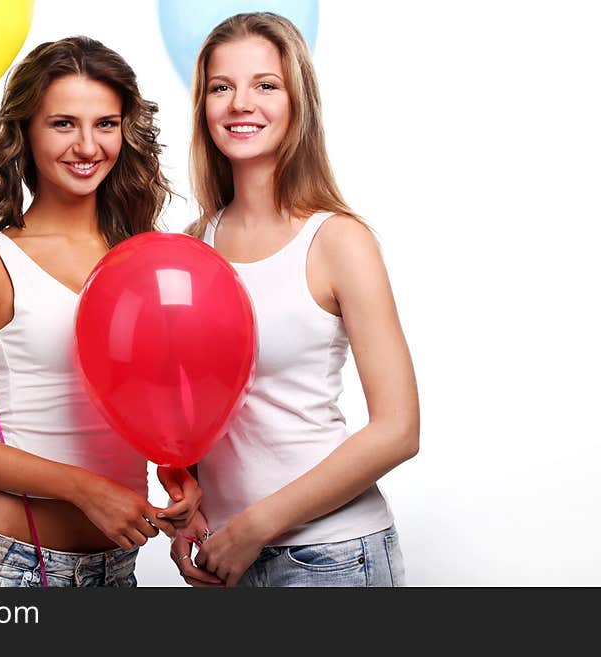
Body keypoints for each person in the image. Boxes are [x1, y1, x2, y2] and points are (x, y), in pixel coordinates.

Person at [0, 36, 201, 588]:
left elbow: (153, 403)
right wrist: (84, 489)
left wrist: (182, 474)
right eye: (63, 123)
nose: (88, 146)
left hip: (114, 569)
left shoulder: (148, 259)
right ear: (26, 132)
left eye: (106, 124)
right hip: (0, 566)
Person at [171, 12, 420, 587]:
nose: (240, 103)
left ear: (296, 101)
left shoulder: (337, 241)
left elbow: (398, 429)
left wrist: (254, 526)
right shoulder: (191, 247)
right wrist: (190, 508)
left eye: (265, 84)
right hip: (224, 555)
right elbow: (190, 414)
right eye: (220, 87)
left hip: (332, 557)